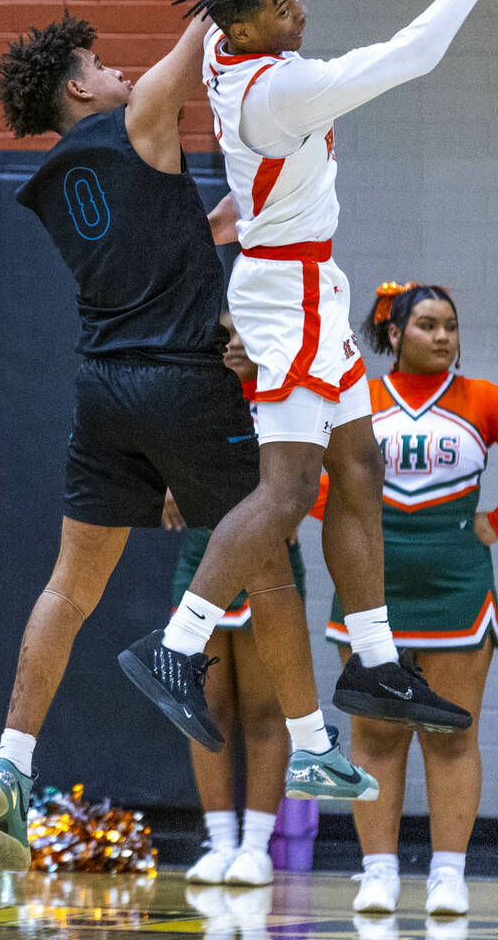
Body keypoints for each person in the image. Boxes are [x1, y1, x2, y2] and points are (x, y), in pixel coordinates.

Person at [0, 0, 386, 877]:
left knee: (70, 588)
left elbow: (171, 239)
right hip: (182, 380)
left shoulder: (56, 184)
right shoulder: (143, 117)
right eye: (96, 66)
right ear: (77, 91)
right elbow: (218, 14)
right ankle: (311, 750)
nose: (114, 70)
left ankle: (11, 763)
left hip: (100, 388)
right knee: (272, 554)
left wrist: (234, 229)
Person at [124, 0, 498, 752]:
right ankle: (176, 644)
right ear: (246, 30)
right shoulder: (279, 90)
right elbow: (410, 56)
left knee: (360, 470)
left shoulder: (227, 39)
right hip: (287, 296)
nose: (300, 12)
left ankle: (372, 660)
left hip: (315, 283)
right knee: (285, 495)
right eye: (284, 9)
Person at [319, 281, 498, 916]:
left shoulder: (481, 401)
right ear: (393, 334)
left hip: (457, 591)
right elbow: (300, 472)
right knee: (376, 736)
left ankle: (447, 875)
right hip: (369, 590)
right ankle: (378, 872)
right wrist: (342, 517)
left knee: (451, 735)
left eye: (451, 327)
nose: (442, 337)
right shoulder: (356, 399)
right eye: (428, 325)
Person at [168, 313, 306, 888]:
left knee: (264, 711)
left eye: (245, 333)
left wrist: (298, 504)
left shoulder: (290, 398)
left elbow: (319, 470)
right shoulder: (195, 396)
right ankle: (220, 843)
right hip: (200, 556)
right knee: (204, 709)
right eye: (223, 333)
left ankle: (256, 848)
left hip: (270, 559)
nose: (233, 344)